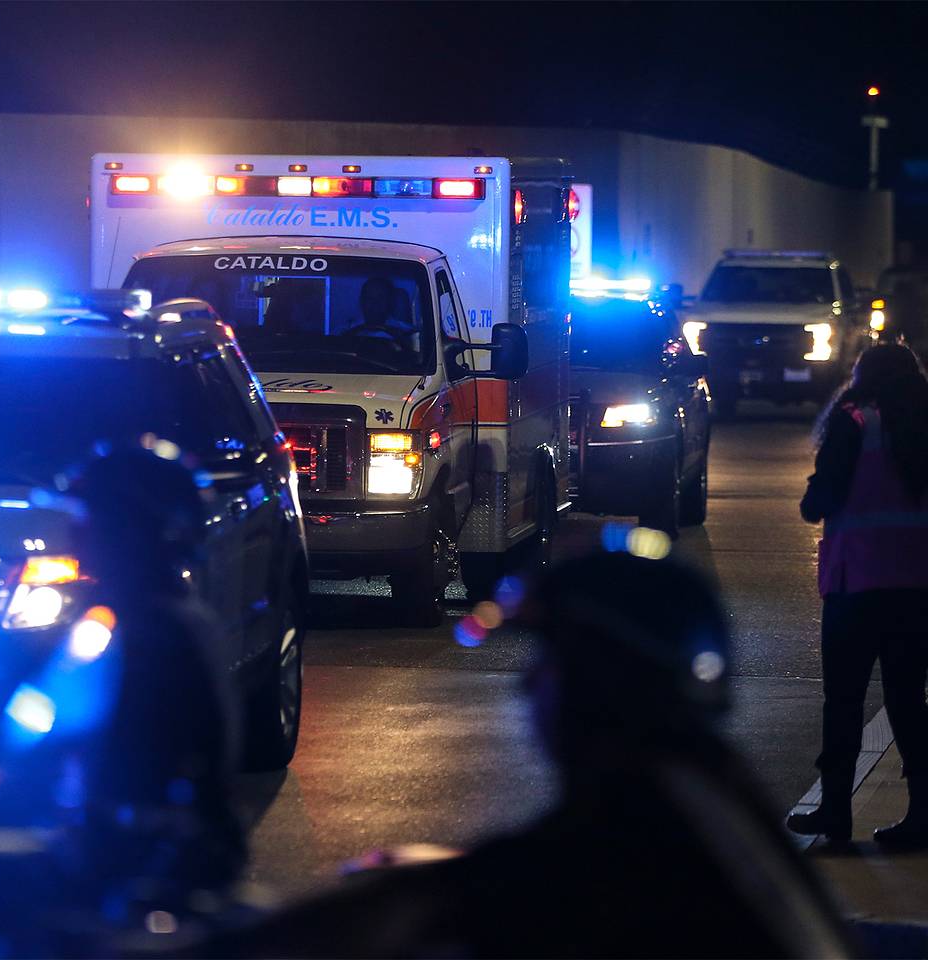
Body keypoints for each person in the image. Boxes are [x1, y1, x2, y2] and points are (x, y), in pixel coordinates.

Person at [204, 553, 853, 958]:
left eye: (549, 661)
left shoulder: (638, 822)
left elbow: (464, 899)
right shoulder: (702, 785)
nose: (527, 685)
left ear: (602, 678)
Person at [788, 343, 928, 849]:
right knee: (907, 701)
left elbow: (817, 503)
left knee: (844, 701)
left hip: (857, 586)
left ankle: (835, 814)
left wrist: (817, 488)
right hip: (916, 588)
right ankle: (922, 815)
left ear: (863, 377)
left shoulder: (853, 423)